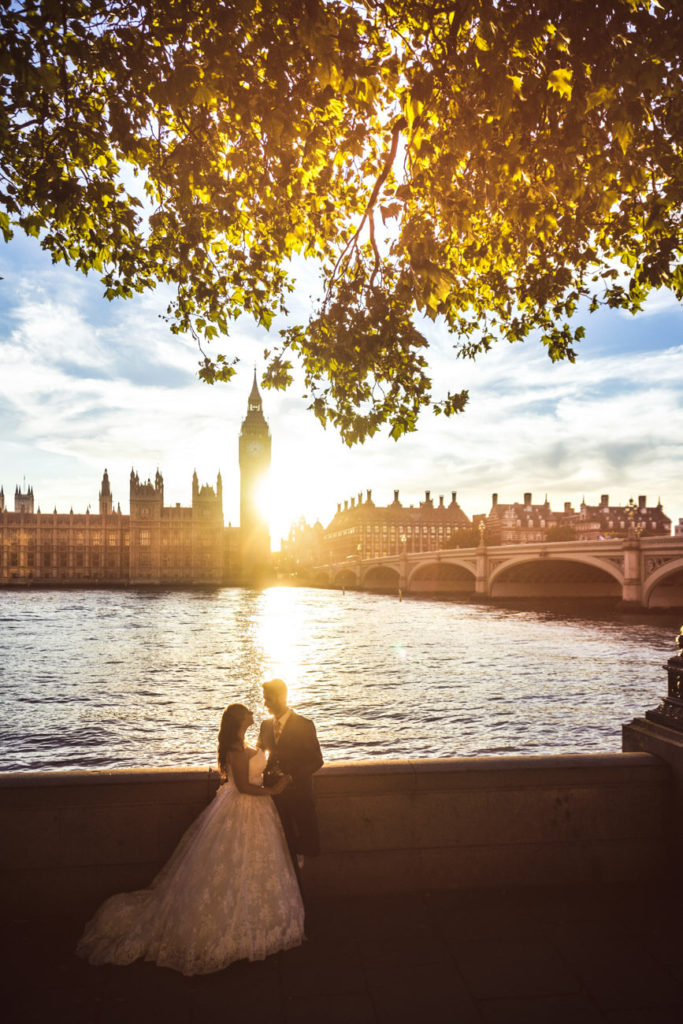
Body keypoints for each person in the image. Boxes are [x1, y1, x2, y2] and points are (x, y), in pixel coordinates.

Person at [76, 704, 304, 975]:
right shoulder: (234, 748)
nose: (251, 714)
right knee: (230, 865)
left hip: (260, 811)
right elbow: (243, 786)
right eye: (246, 712)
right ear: (238, 720)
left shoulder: (245, 742)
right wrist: (274, 789)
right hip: (243, 808)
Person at [258, 679, 323, 871]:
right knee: (280, 846)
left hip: (299, 796)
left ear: (281, 697)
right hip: (274, 797)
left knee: (305, 846)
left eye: (268, 699)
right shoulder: (265, 726)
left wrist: (290, 776)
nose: (265, 704)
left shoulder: (304, 725)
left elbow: (316, 760)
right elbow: (260, 753)